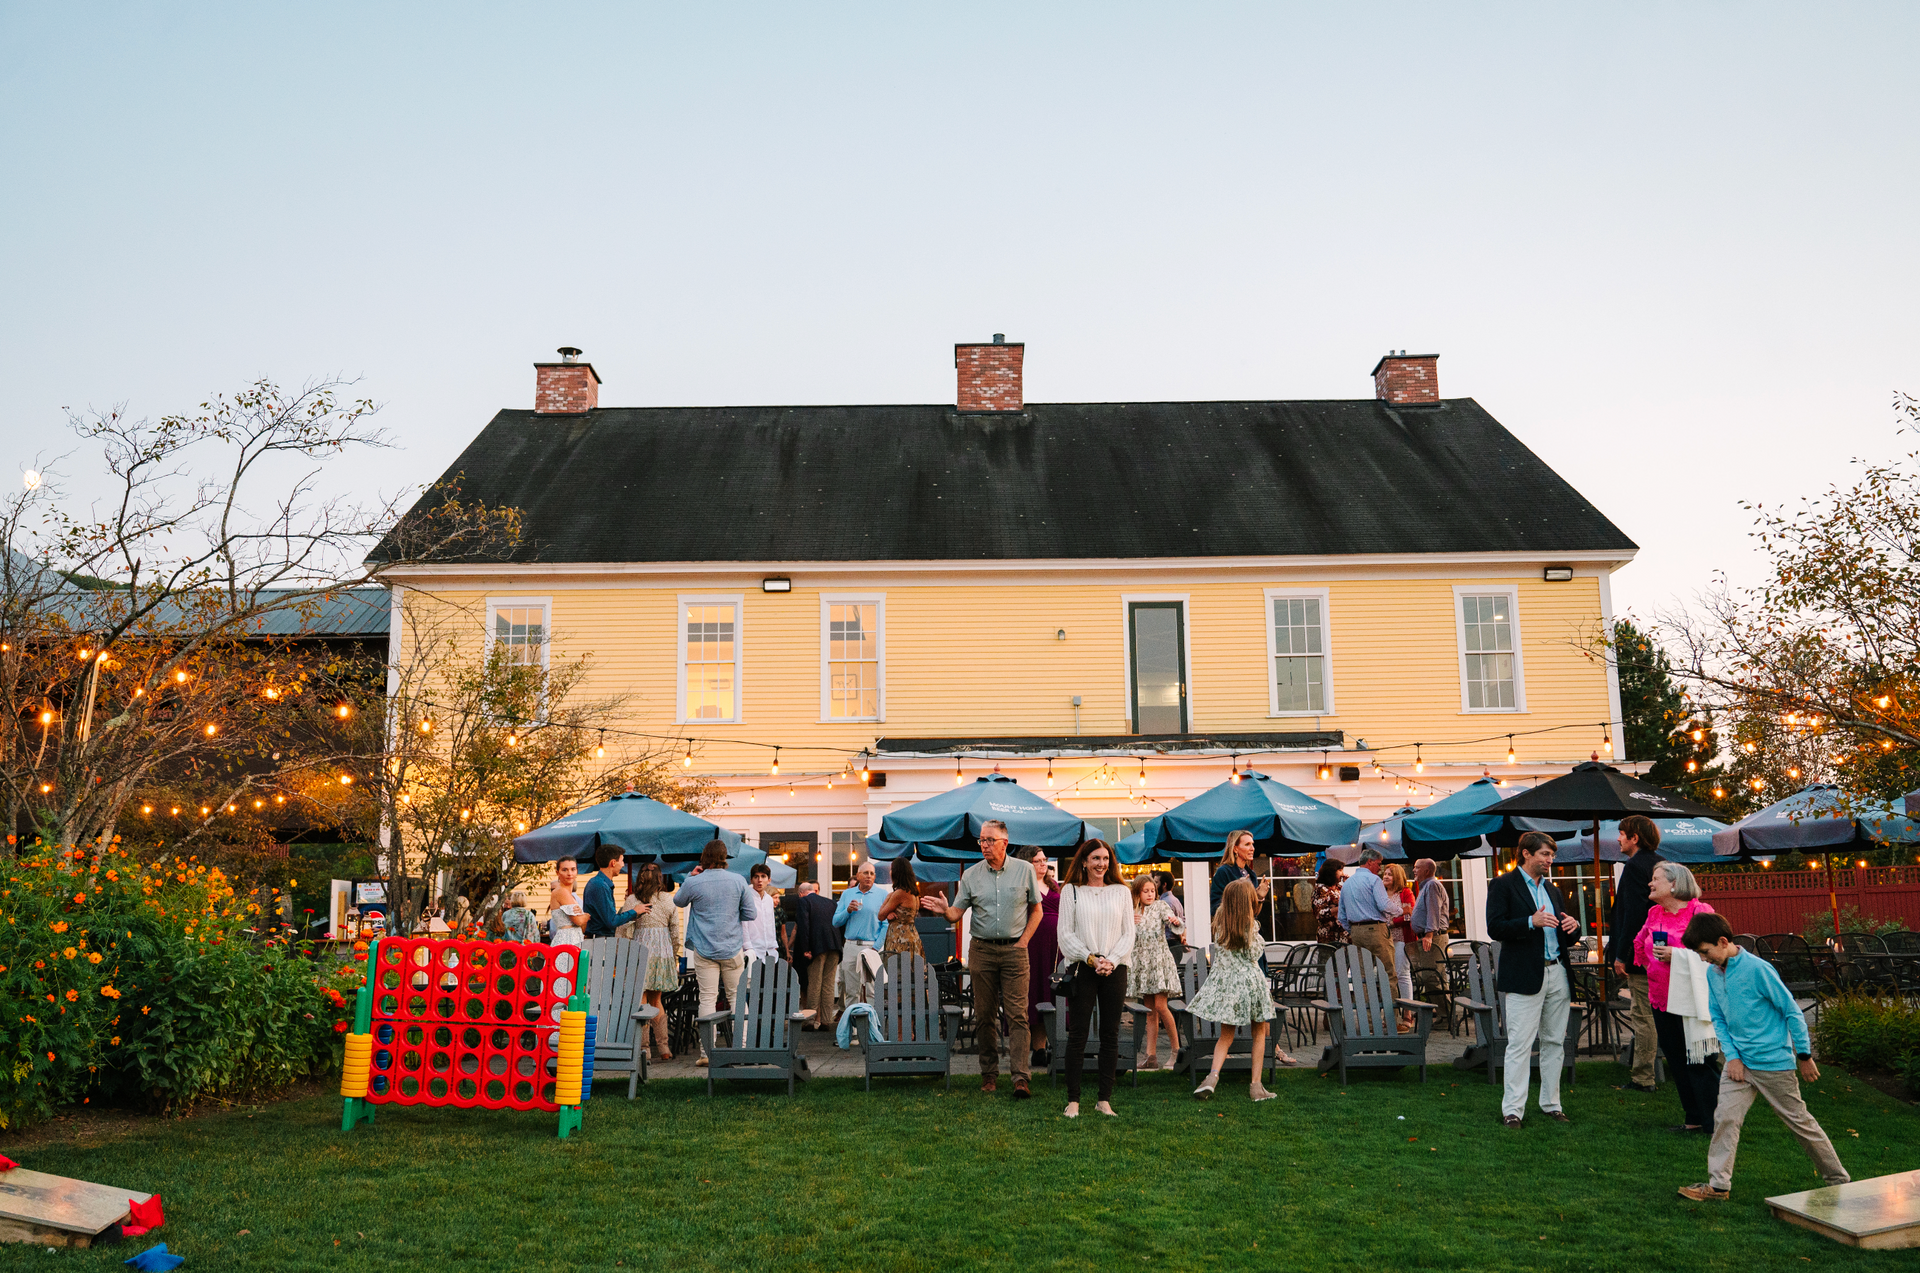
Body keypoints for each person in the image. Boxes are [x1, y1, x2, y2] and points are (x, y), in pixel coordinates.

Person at [1677, 912, 1849, 1203]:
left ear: (1722, 941)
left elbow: (1791, 1012)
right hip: (1739, 1067)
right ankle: (1718, 1187)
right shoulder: (1713, 974)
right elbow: (1718, 1017)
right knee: (1725, 1119)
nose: (1704, 959)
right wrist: (1732, 1057)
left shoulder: (1759, 970)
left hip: (1773, 1065)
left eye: (1706, 952)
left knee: (1800, 1123)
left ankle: (1839, 1180)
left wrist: (1804, 1055)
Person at [942, 819, 1044, 1097]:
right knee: (985, 1016)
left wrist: (1023, 942)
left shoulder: (1025, 871)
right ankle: (989, 1075)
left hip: (1015, 950)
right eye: (981, 840)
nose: (984, 845)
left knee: (1018, 1015)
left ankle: (1021, 1077)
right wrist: (944, 909)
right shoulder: (971, 876)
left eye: (989, 840)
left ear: (1004, 843)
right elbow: (955, 914)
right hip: (982, 951)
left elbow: (1037, 911)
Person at [1486, 832, 1581, 1127]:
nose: (1550, 860)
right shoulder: (1503, 885)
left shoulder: (1552, 890)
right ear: (1526, 854)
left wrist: (1574, 927)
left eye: (1551, 855)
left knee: (1554, 1041)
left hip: (1557, 972)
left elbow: (1566, 933)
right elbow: (1495, 927)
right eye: (1544, 854)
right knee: (1520, 1044)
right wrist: (1530, 921)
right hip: (1524, 974)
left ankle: (1552, 1104)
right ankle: (1513, 1110)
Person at [1632, 861, 1720, 1133]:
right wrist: (1647, 964)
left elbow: (1716, 952)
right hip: (1661, 998)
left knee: (1700, 1061)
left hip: (1694, 1000)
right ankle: (1693, 1119)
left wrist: (1678, 956)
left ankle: (1716, 1121)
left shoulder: (1699, 911)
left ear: (1674, 883)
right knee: (1678, 1061)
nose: (1650, 882)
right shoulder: (1654, 913)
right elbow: (1640, 943)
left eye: (1656, 878)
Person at [1056, 839, 1136, 1118]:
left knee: (1110, 1035)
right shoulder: (1071, 892)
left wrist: (1111, 960)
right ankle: (1073, 1100)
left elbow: (1129, 934)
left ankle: (1104, 1099)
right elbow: (1065, 934)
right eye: (1095, 858)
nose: (1101, 864)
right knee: (1077, 1035)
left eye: (1106, 859)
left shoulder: (1121, 892)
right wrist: (1091, 958)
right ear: (1084, 862)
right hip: (1083, 968)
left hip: (1115, 969)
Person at [1185, 878, 1285, 1100]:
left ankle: (1211, 1077)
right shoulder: (1251, 927)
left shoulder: (1221, 923)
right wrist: (1256, 899)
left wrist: (1254, 895)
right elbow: (1253, 955)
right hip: (1250, 983)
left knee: (1225, 1036)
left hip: (1228, 986)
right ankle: (1256, 1086)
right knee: (1259, 1032)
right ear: (1247, 902)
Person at [673, 840, 759, 1066]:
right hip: (732, 949)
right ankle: (741, 1049)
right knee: (737, 998)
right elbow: (750, 914)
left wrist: (690, 877)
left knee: (707, 999)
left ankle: (706, 1053)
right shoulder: (739, 881)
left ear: (704, 858)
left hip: (704, 949)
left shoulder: (695, 882)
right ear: (725, 857)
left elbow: (678, 901)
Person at [1608, 814, 1666, 1094]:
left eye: (1622, 833)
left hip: (1642, 956)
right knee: (1665, 1015)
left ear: (1635, 838)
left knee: (1643, 1017)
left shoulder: (1633, 868)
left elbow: (1632, 915)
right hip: (1665, 952)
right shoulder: (1664, 865)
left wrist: (1621, 955)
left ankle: (1643, 1077)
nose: (1618, 838)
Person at [626, 863, 683, 1062]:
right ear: (660, 878)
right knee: (656, 1001)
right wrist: (673, 953)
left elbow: (624, 929)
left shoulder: (633, 900)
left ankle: (644, 1050)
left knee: (641, 1002)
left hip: (640, 952)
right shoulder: (667, 899)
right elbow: (675, 931)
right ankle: (664, 1048)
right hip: (662, 953)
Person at [1129, 873, 1184, 1070]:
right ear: (1137, 892)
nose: (1150, 894)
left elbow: (1172, 921)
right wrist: (1128, 922)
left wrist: (1175, 922)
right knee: (1150, 1011)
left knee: (1161, 1006)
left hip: (1159, 961)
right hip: (1143, 964)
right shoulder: (1132, 911)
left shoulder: (1161, 906)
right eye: (1146, 891)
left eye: (1152, 890)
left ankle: (1177, 1051)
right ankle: (1150, 1056)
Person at [1336, 847, 1403, 986]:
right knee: (1387, 972)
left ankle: (1365, 1007)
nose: (1380, 868)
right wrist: (1401, 910)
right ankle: (1392, 1007)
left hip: (1356, 932)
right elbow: (1384, 905)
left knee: (1362, 975)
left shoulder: (1347, 884)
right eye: (1379, 864)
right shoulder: (1374, 880)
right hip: (1376, 929)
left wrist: (1353, 930)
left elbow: (1341, 915)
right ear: (1370, 862)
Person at [1021, 849, 1062, 1063]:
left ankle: (1053, 1045)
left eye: (1044, 860)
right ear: (1027, 863)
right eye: (1037, 861)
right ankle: (1037, 1049)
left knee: (1054, 992)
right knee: (1035, 991)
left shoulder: (1054, 885)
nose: (1042, 864)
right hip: (1033, 944)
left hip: (1056, 946)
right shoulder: (1023, 886)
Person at [833, 862, 887, 1007]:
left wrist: (876, 947)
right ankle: (853, 1028)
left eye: (871, 873)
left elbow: (886, 924)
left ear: (875, 876)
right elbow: (835, 921)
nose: (869, 876)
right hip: (851, 945)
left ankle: (872, 1026)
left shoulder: (882, 895)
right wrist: (848, 911)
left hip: (872, 946)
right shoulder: (847, 894)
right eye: (865, 873)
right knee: (852, 991)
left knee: (873, 991)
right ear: (858, 876)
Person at [793, 881, 842, 1029]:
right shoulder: (831, 903)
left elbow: (804, 925)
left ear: (801, 893)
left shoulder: (804, 902)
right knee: (828, 984)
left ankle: (810, 1020)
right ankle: (826, 1021)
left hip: (816, 947)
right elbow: (840, 923)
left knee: (814, 984)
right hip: (834, 946)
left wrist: (806, 948)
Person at [1383, 861, 1418, 1030]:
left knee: (1402, 975)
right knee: (1387, 976)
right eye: (1385, 873)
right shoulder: (1380, 893)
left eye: (1389, 874)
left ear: (1397, 876)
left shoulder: (1405, 893)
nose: (1386, 876)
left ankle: (1407, 1013)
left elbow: (1409, 915)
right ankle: (1389, 1014)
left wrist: (1391, 922)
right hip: (1384, 940)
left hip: (1401, 939)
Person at [1407, 858, 1451, 989]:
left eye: (1417, 868)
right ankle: (1443, 1009)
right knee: (1436, 978)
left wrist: (1429, 935)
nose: (1414, 870)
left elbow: (1433, 911)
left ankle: (1444, 1009)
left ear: (1426, 871)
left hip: (1433, 938)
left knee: (1431, 978)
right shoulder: (1426, 886)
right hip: (1430, 937)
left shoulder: (1432, 885)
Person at [582, 844, 640, 938]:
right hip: (599, 941)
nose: (622, 865)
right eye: (622, 861)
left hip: (598, 939)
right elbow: (612, 921)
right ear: (613, 863)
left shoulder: (598, 883)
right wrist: (635, 911)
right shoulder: (600, 886)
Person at [1211, 829, 1271, 912]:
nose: (1252, 848)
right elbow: (1215, 908)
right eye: (1247, 844)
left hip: (1249, 924)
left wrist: (1259, 897)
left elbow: (1254, 914)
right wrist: (1239, 895)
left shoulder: (1251, 874)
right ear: (1235, 849)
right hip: (1231, 925)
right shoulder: (1224, 872)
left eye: (1252, 844)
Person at [878, 858, 926, 958]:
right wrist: (889, 913)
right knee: (912, 972)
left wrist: (889, 898)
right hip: (912, 938)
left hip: (899, 940)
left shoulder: (899, 894)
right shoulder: (914, 893)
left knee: (898, 972)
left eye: (891, 869)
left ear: (896, 873)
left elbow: (880, 915)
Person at [743, 863, 781, 964]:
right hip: (752, 949)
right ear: (751, 880)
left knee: (768, 978)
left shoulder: (768, 899)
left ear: (769, 880)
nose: (759, 880)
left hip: (769, 950)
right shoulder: (746, 897)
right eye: (756, 877)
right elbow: (744, 923)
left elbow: (771, 923)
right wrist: (748, 946)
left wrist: (773, 944)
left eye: (763, 876)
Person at [548, 859, 587, 948]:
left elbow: (583, 926)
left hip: (575, 939)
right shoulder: (561, 892)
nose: (569, 873)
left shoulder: (572, 896)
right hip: (566, 941)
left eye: (573, 869)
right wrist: (585, 916)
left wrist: (582, 916)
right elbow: (579, 921)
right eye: (565, 870)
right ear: (558, 873)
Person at [1312, 859, 1348, 946]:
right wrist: (1339, 908)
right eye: (1340, 870)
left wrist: (1348, 884)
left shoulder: (1339, 888)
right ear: (1331, 872)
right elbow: (1319, 914)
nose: (1342, 873)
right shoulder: (1321, 890)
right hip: (1329, 935)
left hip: (1343, 934)